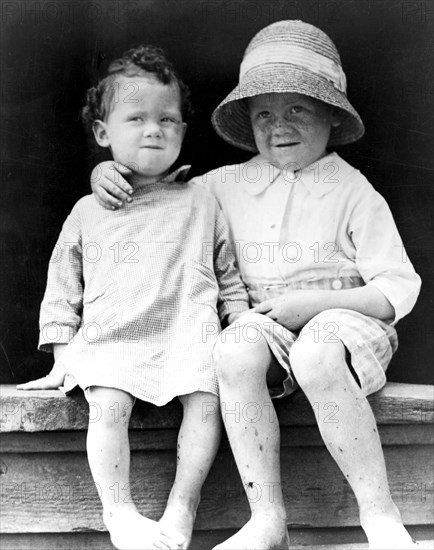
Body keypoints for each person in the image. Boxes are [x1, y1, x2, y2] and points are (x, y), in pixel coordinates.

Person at [89, 21, 422, 550]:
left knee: (315, 352)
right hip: (268, 330)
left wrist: (314, 304)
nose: (278, 125)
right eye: (264, 113)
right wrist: (108, 174)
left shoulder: (354, 190)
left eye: (297, 109)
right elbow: (157, 196)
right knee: (233, 347)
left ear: (332, 115)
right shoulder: (223, 185)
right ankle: (267, 517)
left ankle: (379, 516)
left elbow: (395, 290)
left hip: (347, 323)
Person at [17, 45, 249, 550]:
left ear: (183, 132)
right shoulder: (87, 210)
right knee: (108, 404)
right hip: (113, 336)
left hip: (188, 332)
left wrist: (243, 323)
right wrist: (62, 352)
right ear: (103, 134)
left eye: (168, 119)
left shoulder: (201, 199)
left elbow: (227, 273)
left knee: (207, 402)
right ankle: (119, 512)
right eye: (136, 117)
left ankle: (181, 508)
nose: (154, 129)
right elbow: (63, 283)